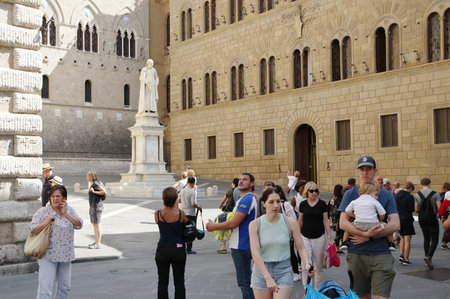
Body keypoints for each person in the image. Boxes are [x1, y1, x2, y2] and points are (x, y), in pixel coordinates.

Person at [338, 155, 400, 299]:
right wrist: (365, 234)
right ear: (358, 172)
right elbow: (343, 222)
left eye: (369, 169)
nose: (365, 172)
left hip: (381, 254)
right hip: (357, 255)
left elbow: (395, 224)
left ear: (375, 171)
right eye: (362, 169)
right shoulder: (350, 194)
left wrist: (369, 235)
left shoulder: (386, 195)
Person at [249, 189, 312, 298]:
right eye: (271, 202)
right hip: (261, 270)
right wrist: (267, 277)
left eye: (278, 201)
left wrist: (307, 262)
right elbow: (255, 253)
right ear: (263, 204)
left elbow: (301, 247)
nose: (276, 205)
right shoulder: (255, 225)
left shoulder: (290, 222)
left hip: (284, 269)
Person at [206, 173, 258, 299]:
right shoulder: (245, 198)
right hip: (243, 244)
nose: (241, 181)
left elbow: (234, 223)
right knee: (247, 282)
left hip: (242, 245)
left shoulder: (247, 198)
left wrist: (213, 227)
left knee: (245, 283)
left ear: (252, 184)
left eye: (245, 180)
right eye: (240, 179)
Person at [28, 185, 83, 299]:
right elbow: (32, 229)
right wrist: (46, 222)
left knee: (65, 287)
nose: (55, 198)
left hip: (66, 255)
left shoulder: (70, 210)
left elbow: (79, 224)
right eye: (53, 196)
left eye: (58, 196)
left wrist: (65, 214)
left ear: (64, 198)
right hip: (48, 255)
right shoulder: (43, 211)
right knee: (45, 289)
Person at [155, 187, 189, 299]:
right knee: (179, 282)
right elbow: (185, 223)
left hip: (162, 248)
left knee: (162, 282)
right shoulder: (180, 213)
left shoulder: (158, 213)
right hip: (178, 247)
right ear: (176, 199)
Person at [298, 181, 332, 290]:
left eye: (316, 191)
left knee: (318, 266)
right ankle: (307, 290)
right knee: (305, 265)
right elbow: (300, 221)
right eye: (311, 191)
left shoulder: (322, 204)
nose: (314, 193)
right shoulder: (303, 204)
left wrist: (329, 237)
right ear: (306, 192)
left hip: (319, 237)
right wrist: (296, 238)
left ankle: (318, 291)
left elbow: (326, 221)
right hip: (305, 236)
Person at [341, 183, 395, 251]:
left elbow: (347, 211)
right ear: (368, 193)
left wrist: (355, 216)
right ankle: (391, 244)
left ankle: (344, 242)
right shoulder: (374, 201)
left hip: (358, 224)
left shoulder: (354, 201)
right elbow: (383, 213)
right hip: (373, 225)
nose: (377, 197)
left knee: (348, 228)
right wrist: (379, 220)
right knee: (387, 227)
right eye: (376, 195)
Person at [414, 177, 441, 270]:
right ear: (429, 184)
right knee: (435, 239)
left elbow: (416, 209)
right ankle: (429, 257)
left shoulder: (417, 195)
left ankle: (427, 257)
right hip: (433, 220)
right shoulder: (435, 194)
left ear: (422, 184)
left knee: (426, 238)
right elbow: (439, 208)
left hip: (422, 220)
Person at [395, 181, 416, 265]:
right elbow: (411, 209)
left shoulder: (396, 195)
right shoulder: (410, 197)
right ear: (410, 188)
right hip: (407, 219)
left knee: (402, 238)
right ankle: (406, 259)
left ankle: (401, 255)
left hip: (399, 219)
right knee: (407, 239)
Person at [179, 177, 202, 254]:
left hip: (182, 212)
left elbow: (179, 200)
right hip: (190, 213)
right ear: (193, 183)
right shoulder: (192, 191)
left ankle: (181, 248)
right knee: (190, 231)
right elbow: (193, 203)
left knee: (182, 230)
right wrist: (198, 207)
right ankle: (189, 249)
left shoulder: (182, 190)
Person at [217, 178, 239, 254]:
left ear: (233, 183)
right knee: (235, 229)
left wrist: (220, 206)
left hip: (228, 212)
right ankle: (235, 245)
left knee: (224, 228)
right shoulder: (240, 191)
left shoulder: (230, 191)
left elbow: (223, 199)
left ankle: (223, 247)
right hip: (236, 212)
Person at [86, 171, 107, 249]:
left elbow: (104, 192)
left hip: (96, 206)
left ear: (92, 177)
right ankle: (97, 241)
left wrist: (94, 191)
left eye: (88, 176)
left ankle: (98, 243)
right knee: (96, 225)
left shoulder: (96, 184)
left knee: (97, 225)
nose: (87, 177)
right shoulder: (97, 183)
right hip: (95, 206)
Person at [328, 184, 344, 251]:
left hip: (333, 218)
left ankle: (337, 248)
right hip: (339, 218)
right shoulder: (341, 199)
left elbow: (328, 208)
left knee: (338, 232)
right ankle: (335, 243)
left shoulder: (332, 199)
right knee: (342, 232)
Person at [438, 182, 450, 249]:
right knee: (447, 227)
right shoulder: (448, 193)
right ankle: (444, 243)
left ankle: (444, 243)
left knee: (447, 228)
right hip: (447, 212)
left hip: (444, 212)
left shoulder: (441, 194)